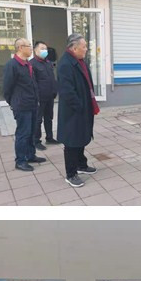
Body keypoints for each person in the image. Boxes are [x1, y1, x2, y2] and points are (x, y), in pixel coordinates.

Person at [57, 33, 99, 188]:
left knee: (82, 137)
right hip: (73, 111)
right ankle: (71, 174)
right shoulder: (65, 64)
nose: (86, 49)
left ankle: (81, 164)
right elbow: (67, 91)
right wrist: (79, 107)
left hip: (83, 107)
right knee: (72, 142)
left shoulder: (80, 61)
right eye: (84, 46)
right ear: (74, 48)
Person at [2, 38, 44, 172]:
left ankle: (31, 155)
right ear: (20, 48)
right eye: (28, 46)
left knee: (31, 131)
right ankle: (20, 161)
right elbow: (7, 88)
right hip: (22, 105)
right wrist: (13, 102)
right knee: (23, 133)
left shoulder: (27, 64)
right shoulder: (12, 65)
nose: (31, 48)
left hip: (32, 103)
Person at [31, 40, 59, 149]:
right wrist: (36, 97)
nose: (45, 51)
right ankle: (36, 141)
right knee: (38, 119)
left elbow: (52, 78)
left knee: (49, 117)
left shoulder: (48, 63)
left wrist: (54, 90)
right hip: (39, 98)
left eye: (45, 49)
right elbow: (33, 83)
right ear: (35, 50)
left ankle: (49, 137)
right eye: (42, 48)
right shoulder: (32, 64)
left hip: (49, 96)